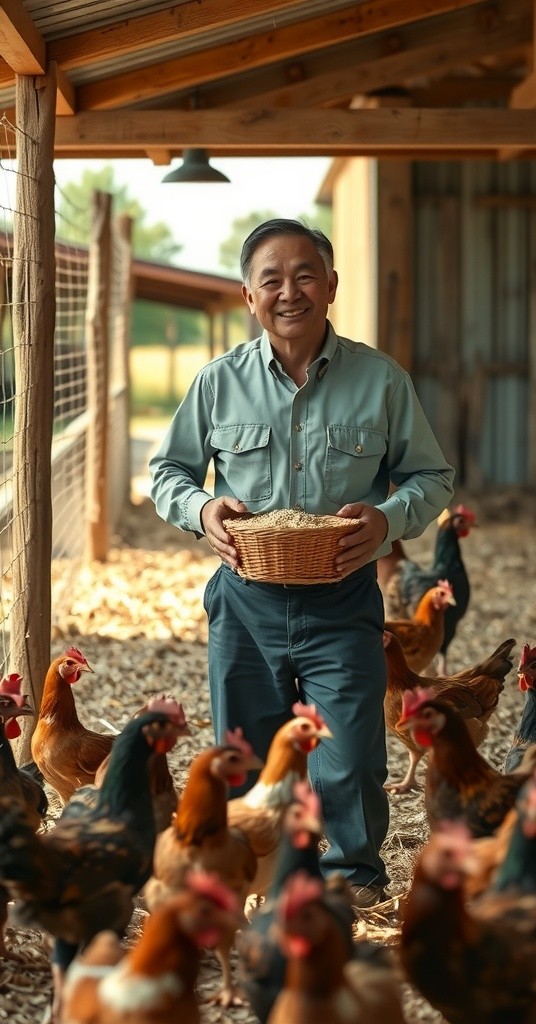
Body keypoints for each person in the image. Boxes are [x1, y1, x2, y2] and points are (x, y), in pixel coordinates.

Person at [149, 218, 455, 908]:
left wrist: (386, 521)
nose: (290, 292)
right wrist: (202, 511)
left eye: (305, 275)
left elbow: (431, 477)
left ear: (332, 286)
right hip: (244, 601)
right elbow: (167, 470)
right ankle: (252, 878)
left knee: (349, 756)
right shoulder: (217, 384)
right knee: (246, 755)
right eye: (272, 279)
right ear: (249, 296)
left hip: (342, 598)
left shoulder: (380, 380)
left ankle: (351, 881)